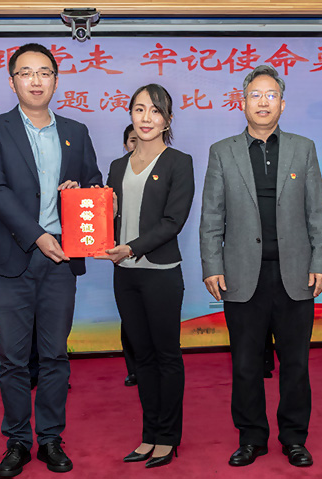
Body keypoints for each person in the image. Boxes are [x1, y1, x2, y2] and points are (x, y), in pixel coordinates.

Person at [0, 43, 102, 477]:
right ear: (12, 81)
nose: (36, 80)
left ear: (55, 80)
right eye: (26, 73)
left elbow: (94, 183)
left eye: (44, 72)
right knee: (12, 358)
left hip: (61, 259)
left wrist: (79, 191)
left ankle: (50, 438)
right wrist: (37, 235)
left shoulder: (76, 131)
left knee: (54, 356)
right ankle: (17, 440)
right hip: (14, 257)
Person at [199, 64, 322, 469]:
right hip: (242, 275)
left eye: (270, 95)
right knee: (245, 364)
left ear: (282, 104)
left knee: (296, 364)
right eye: (255, 95)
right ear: (242, 102)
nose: (263, 102)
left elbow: (317, 211)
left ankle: (294, 439)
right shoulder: (222, 151)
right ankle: (251, 438)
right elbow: (212, 215)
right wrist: (212, 265)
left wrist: (321, 262)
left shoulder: (302, 148)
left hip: (295, 274)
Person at [98, 84, 194, 468]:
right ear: (131, 115)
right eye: (139, 109)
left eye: (155, 111)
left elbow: (173, 221)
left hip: (160, 274)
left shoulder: (179, 162)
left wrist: (132, 247)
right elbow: (108, 219)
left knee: (166, 356)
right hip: (125, 275)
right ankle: (149, 434)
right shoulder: (116, 167)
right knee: (142, 358)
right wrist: (95, 209)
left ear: (168, 119)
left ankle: (168, 438)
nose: (147, 118)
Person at [121, 123, 138, 388]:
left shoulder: (173, 162)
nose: (136, 143)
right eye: (131, 140)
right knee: (130, 322)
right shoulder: (118, 168)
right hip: (123, 259)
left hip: (157, 259)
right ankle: (133, 369)